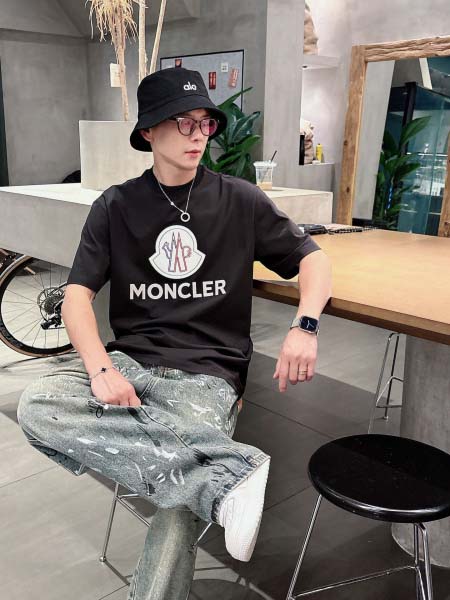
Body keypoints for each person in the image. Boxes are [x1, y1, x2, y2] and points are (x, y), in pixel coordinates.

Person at [16, 67, 332, 600]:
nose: (197, 135)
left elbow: (313, 260)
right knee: (38, 405)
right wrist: (101, 369)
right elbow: (75, 297)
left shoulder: (240, 199)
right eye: (183, 122)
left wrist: (305, 325)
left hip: (208, 374)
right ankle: (227, 474)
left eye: (205, 123)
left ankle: (205, 479)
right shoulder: (116, 206)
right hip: (131, 363)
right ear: (148, 131)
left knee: (177, 500)